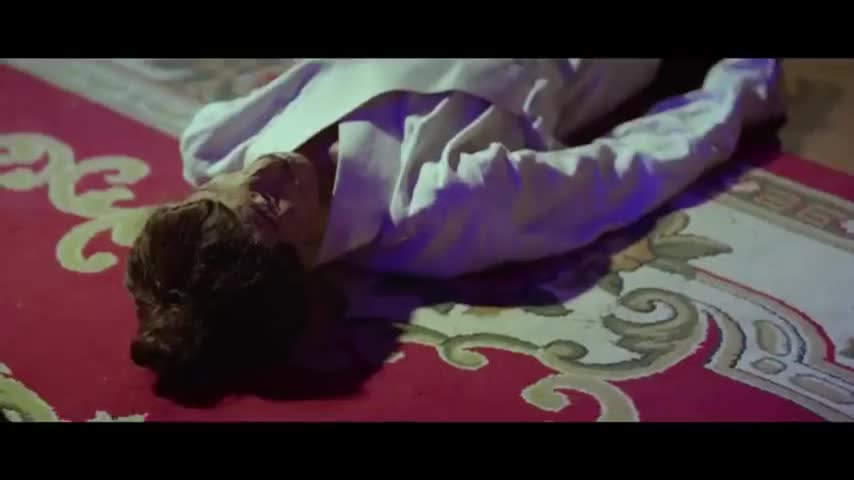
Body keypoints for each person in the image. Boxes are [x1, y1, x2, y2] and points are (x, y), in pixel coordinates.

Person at [125, 58, 784, 377]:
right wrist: (741, 87)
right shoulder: (443, 209)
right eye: (267, 207)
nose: (260, 170)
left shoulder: (216, 144)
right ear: (298, 264)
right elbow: (624, 170)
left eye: (222, 190)